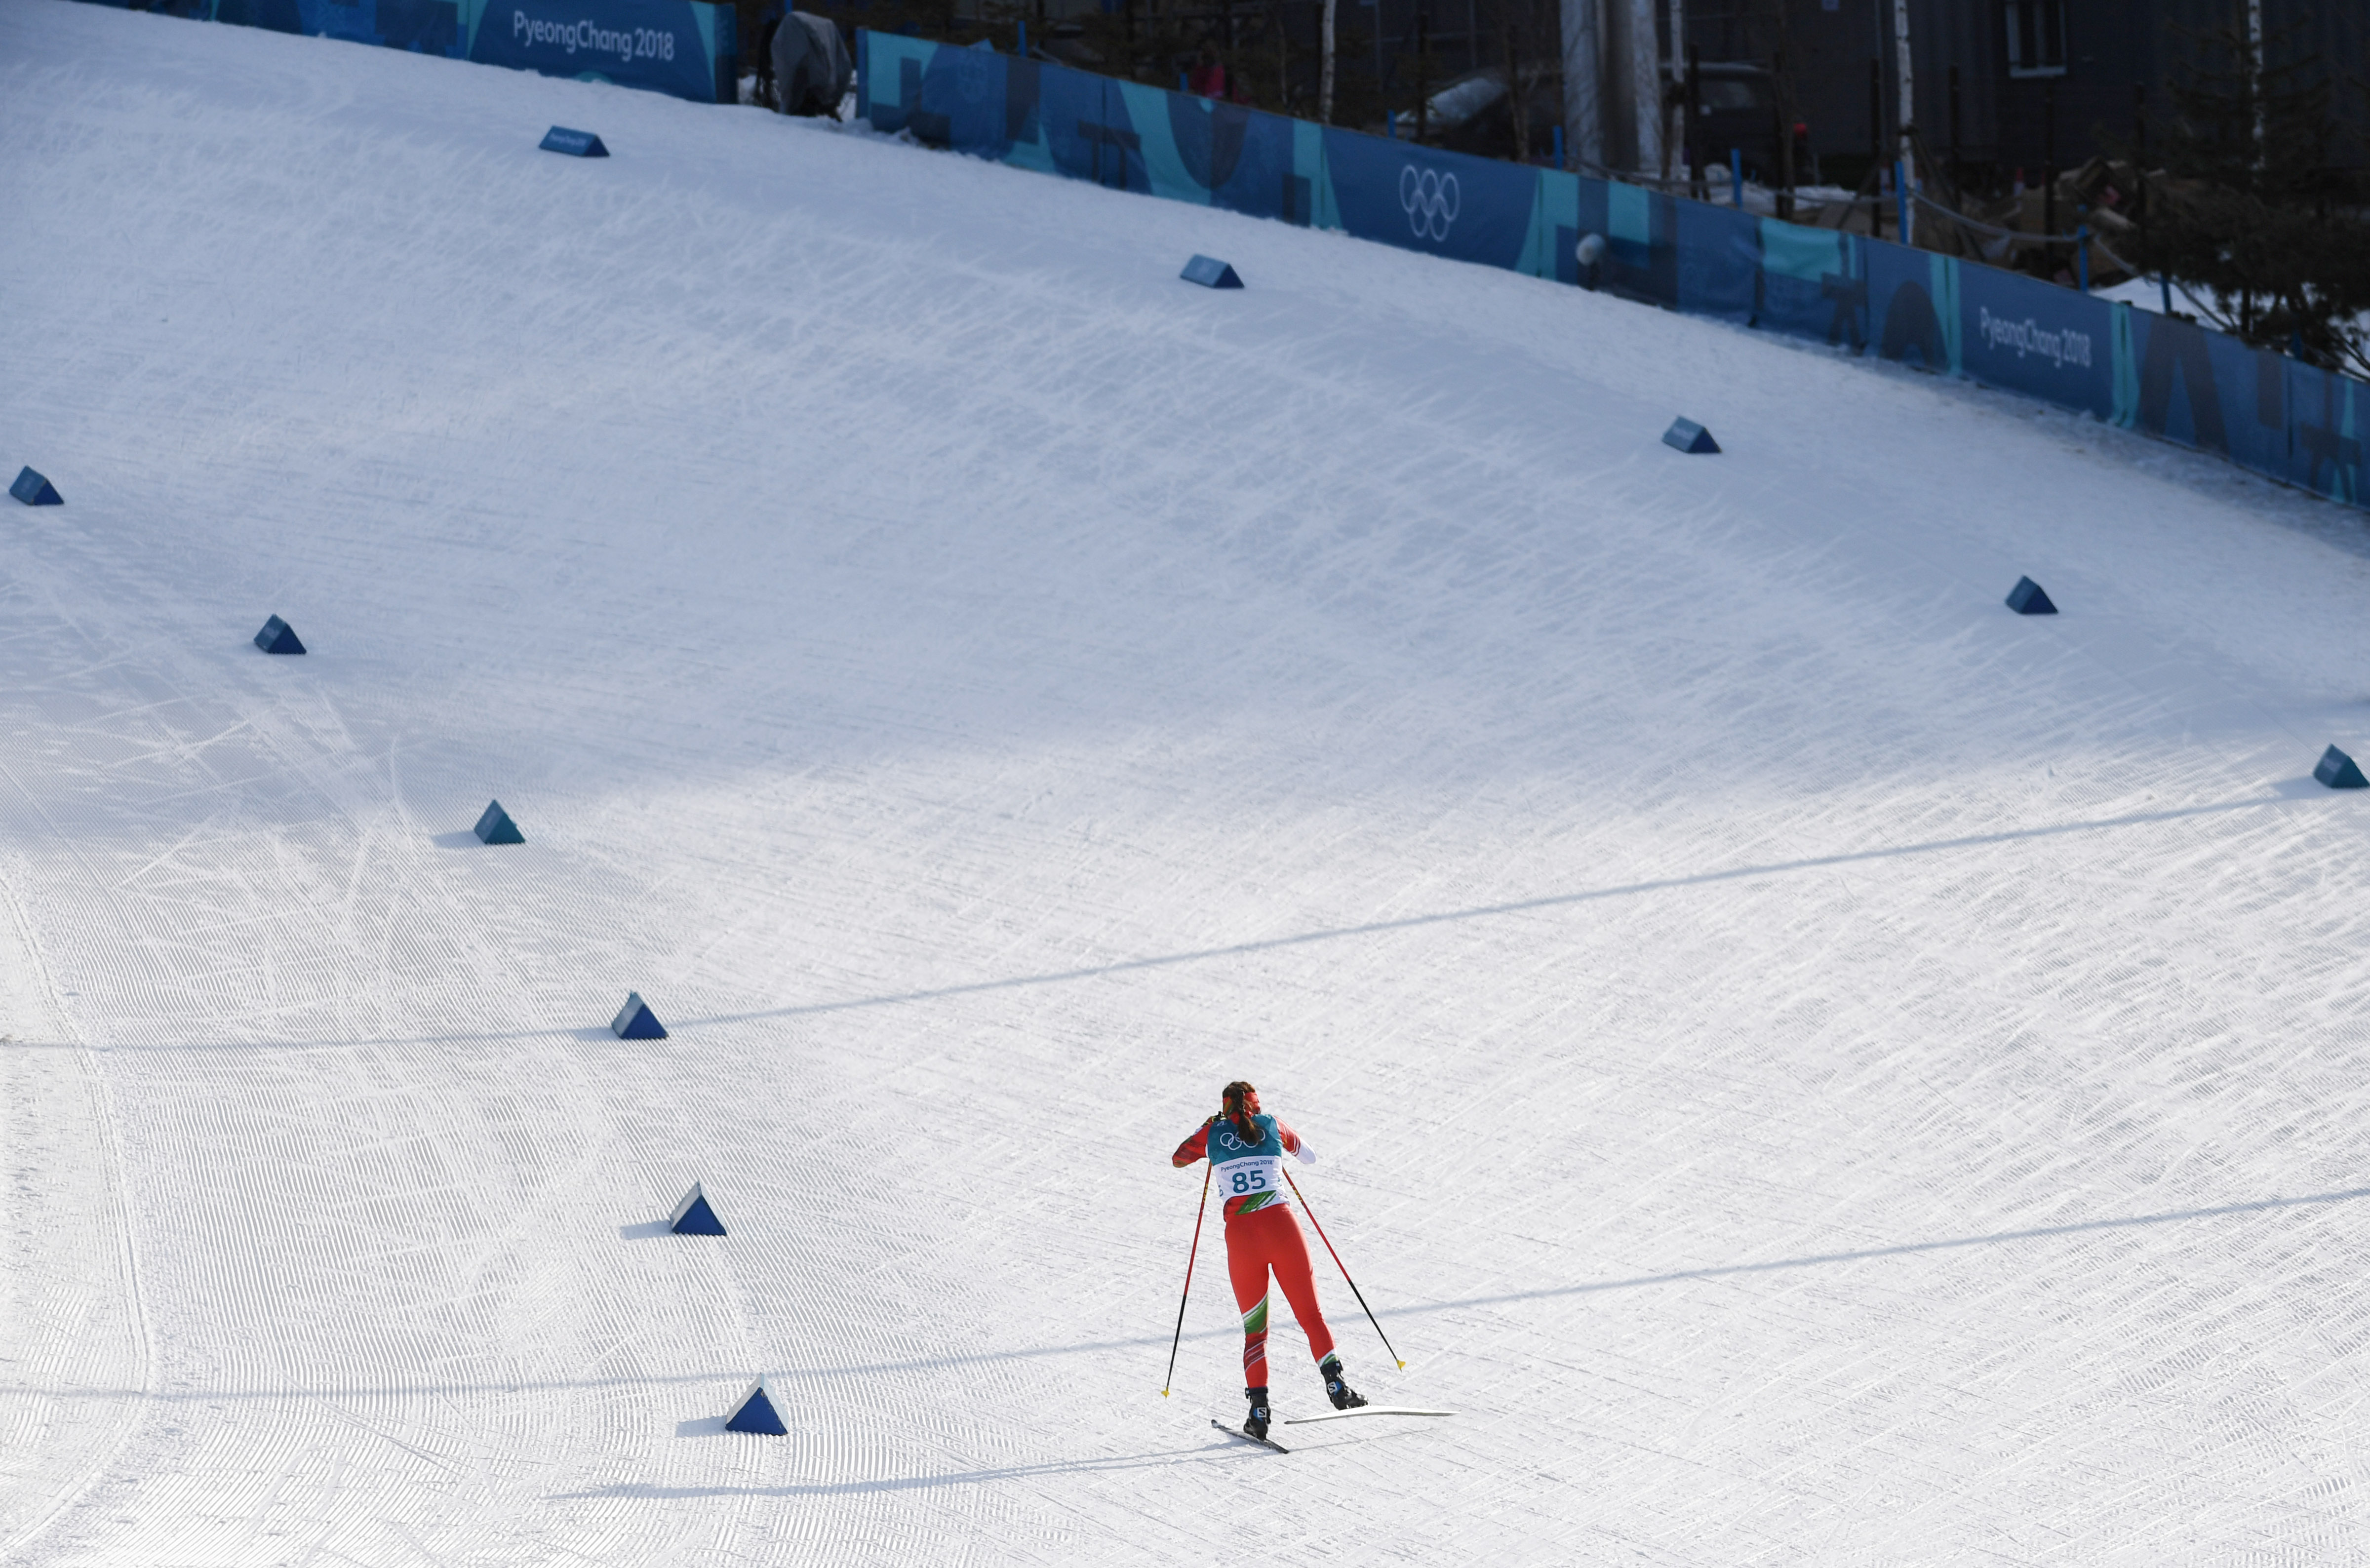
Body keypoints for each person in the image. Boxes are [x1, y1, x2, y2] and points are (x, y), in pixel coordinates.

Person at [1173, 1081, 1366, 1440]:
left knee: (1256, 1332)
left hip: (1242, 1239)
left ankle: (1259, 1412)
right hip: (1283, 1229)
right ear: (1255, 1105)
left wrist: (1208, 1130)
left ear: (1225, 1107)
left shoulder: (1213, 1132)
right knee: (1311, 1316)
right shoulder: (1271, 1124)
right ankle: (1337, 1386)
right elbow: (1310, 1157)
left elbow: (1179, 1159)